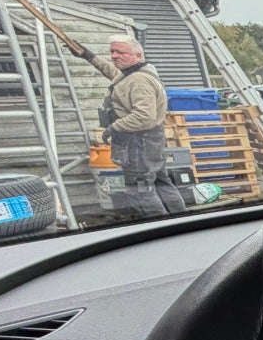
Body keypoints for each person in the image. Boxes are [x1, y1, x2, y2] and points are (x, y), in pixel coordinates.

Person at [73, 35, 188, 218]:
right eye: (112, 51)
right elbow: (113, 73)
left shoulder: (139, 81)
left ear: (138, 55)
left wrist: (114, 127)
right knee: (160, 182)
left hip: (139, 142)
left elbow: (144, 117)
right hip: (150, 140)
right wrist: (89, 56)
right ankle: (181, 220)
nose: (114, 56)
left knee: (140, 188)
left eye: (120, 52)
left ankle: (160, 226)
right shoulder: (133, 73)